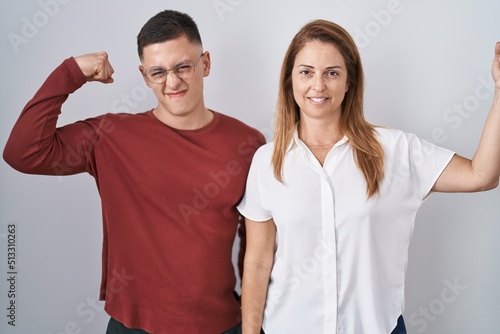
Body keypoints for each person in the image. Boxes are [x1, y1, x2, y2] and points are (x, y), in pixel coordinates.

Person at [3, 9, 265, 334]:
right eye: (158, 72)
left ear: (205, 63)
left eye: (183, 66)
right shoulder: (111, 137)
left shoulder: (247, 142)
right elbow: (22, 153)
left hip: (223, 325)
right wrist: (70, 72)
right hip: (134, 327)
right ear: (144, 76)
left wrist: (255, 320)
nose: (172, 81)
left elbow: (257, 247)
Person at [237, 19, 500, 334]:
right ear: (289, 80)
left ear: (349, 81)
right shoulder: (267, 161)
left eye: (332, 73)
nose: (318, 85)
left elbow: (481, 175)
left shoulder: (395, 151)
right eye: (306, 72)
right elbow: (257, 263)